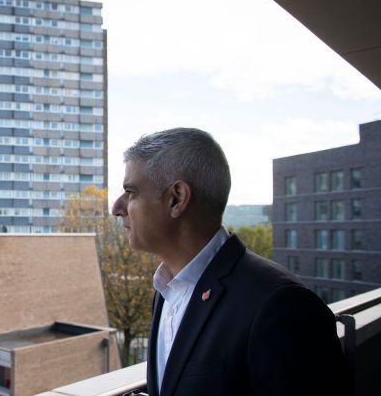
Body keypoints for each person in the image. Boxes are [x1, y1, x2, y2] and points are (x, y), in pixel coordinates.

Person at [111, 128, 348, 396]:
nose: (116, 207)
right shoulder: (166, 291)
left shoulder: (282, 306)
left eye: (131, 192)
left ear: (176, 198)